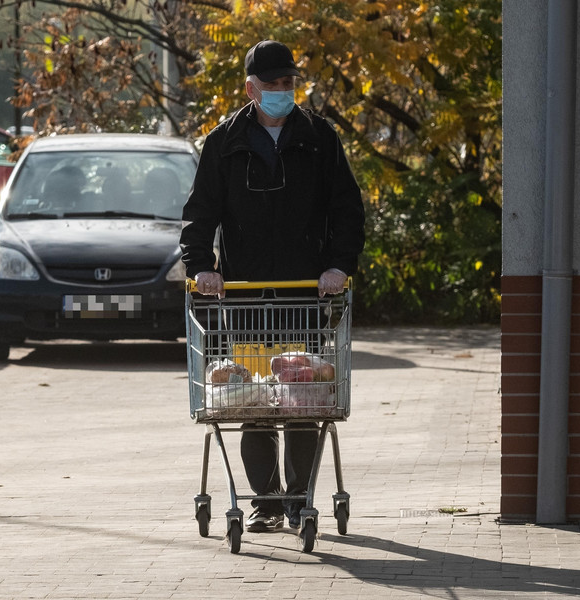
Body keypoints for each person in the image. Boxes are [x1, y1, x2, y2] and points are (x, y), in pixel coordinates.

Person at [180, 40, 365, 533]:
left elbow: (347, 210)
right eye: (274, 84)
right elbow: (200, 214)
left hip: (305, 294)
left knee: (302, 403)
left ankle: (298, 501)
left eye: (289, 83)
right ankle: (265, 502)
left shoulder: (319, 139)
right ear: (251, 88)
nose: (284, 91)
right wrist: (202, 267)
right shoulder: (225, 141)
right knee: (255, 401)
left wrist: (338, 266)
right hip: (245, 297)